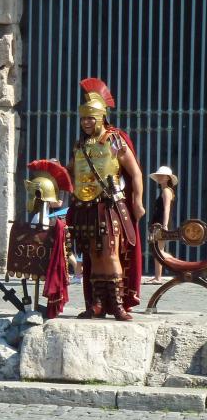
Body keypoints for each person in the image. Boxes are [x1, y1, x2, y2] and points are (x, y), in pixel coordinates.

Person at [66, 77, 144, 321]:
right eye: (83, 118)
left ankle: (118, 304)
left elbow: (135, 173)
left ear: (101, 117)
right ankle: (97, 303)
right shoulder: (80, 145)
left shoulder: (115, 140)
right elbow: (71, 172)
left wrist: (138, 201)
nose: (86, 122)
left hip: (109, 205)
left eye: (91, 118)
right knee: (92, 255)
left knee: (111, 254)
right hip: (84, 206)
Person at [146, 165, 178, 285]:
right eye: (158, 175)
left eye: (162, 175)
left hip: (161, 223)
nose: (159, 177)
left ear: (168, 178)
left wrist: (164, 225)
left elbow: (166, 208)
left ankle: (172, 264)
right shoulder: (166, 190)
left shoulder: (166, 191)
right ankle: (157, 276)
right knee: (158, 249)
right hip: (158, 223)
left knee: (158, 251)